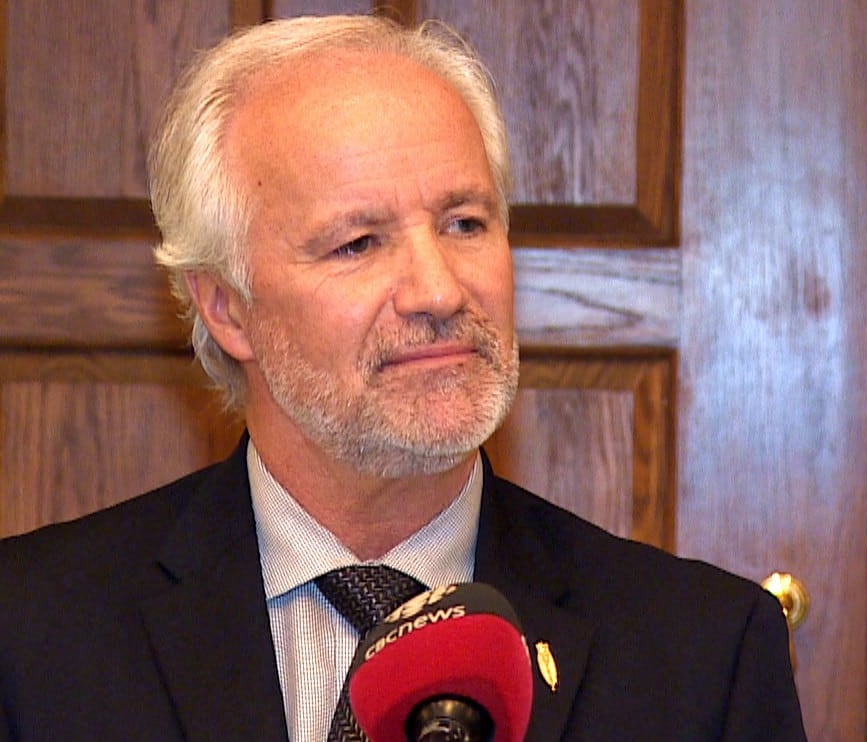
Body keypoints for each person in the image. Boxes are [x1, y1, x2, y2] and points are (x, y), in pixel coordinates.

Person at [0, 14, 806, 742]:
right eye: (358, 242)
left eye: (465, 224)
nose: (438, 291)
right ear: (227, 307)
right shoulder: (32, 634)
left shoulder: (703, 655)